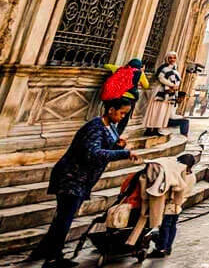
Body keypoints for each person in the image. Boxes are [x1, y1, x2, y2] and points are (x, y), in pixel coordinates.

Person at [30, 97, 140, 267]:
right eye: (121, 113)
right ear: (110, 110)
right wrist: (124, 153)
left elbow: (104, 149)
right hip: (71, 177)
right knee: (64, 218)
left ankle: (43, 251)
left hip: (81, 179)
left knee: (62, 217)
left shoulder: (110, 127)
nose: (122, 117)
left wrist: (117, 147)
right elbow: (93, 154)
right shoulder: (95, 127)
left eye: (125, 114)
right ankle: (52, 258)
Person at [143, 52, 183, 136]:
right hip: (160, 93)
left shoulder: (175, 70)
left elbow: (178, 80)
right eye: (170, 58)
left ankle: (157, 129)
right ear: (167, 59)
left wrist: (175, 86)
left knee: (163, 111)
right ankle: (149, 128)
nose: (172, 59)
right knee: (155, 110)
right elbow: (161, 78)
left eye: (174, 58)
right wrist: (171, 85)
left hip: (169, 94)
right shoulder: (163, 68)